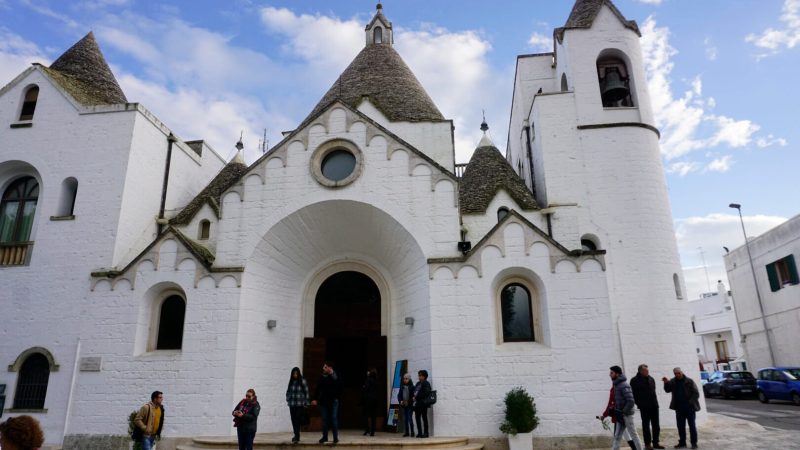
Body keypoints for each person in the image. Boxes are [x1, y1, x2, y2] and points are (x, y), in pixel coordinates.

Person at [662, 367, 700, 449]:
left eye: (679, 373)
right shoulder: (673, 381)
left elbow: (696, 393)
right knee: (680, 426)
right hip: (679, 408)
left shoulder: (689, 381)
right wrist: (666, 383)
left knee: (692, 426)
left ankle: (694, 443)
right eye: (676, 374)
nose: (678, 375)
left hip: (690, 408)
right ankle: (682, 443)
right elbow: (667, 390)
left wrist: (690, 402)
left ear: (682, 372)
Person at [608, 366, 642, 450]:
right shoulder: (616, 385)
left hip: (626, 415)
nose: (609, 374)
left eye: (611, 373)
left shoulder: (624, 385)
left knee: (633, 435)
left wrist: (623, 412)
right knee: (617, 436)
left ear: (617, 374)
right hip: (620, 415)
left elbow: (630, 401)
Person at [630, 364, 664, 450]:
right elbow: (633, 394)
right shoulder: (634, 380)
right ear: (640, 371)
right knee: (646, 426)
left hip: (654, 405)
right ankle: (647, 444)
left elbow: (653, 391)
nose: (647, 372)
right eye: (645, 370)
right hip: (644, 407)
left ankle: (656, 442)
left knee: (656, 425)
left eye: (647, 370)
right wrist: (639, 404)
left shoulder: (651, 378)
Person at [311, 361, 342, 444]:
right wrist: (315, 399)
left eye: (325, 367)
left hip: (334, 401)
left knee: (333, 419)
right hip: (324, 401)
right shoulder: (322, 377)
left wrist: (332, 374)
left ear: (329, 368)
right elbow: (318, 388)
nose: (323, 368)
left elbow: (339, 385)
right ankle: (325, 437)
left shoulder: (336, 376)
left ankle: (335, 437)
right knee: (324, 420)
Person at [286, 367, 310, 443]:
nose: (295, 375)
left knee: (297, 419)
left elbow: (306, 392)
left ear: (299, 373)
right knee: (293, 420)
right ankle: (296, 435)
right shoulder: (291, 381)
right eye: (294, 373)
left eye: (296, 373)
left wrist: (306, 403)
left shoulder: (303, 380)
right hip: (292, 404)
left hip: (300, 404)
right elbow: (288, 392)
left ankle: (297, 435)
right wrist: (288, 399)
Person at [412, 369, 432, 438]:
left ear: (424, 376)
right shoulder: (418, 383)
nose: (419, 377)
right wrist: (413, 396)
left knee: (424, 418)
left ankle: (426, 433)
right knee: (417, 418)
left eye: (420, 375)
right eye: (419, 375)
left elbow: (426, 393)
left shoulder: (426, 383)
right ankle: (419, 433)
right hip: (417, 404)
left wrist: (417, 397)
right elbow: (415, 391)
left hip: (423, 404)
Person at [361, 367, 379, 436]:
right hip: (375, 400)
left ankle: (367, 429)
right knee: (373, 416)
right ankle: (372, 431)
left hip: (368, 400)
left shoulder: (368, 380)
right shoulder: (376, 381)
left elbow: (366, 388)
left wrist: (363, 387)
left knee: (366, 415)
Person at [397, 373, 415, 437]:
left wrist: (408, 401)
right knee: (405, 419)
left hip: (410, 405)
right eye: (404, 379)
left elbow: (413, 396)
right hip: (404, 405)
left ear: (409, 379)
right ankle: (407, 432)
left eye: (406, 379)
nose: (405, 380)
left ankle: (412, 432)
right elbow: (399, 395)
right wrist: (400, 401)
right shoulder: (402, 387)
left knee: (410, 418)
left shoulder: (412, 387)